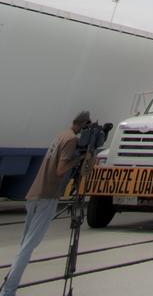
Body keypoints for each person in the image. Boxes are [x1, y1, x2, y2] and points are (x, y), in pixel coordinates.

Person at [1, 111, 92, 296]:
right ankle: (9, 290)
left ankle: (8, 283)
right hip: (47, 196)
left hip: (34, 194)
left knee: (25, 245)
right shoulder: (70, 140)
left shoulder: (60, 135)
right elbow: (60, 169)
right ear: (83, 126)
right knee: (29, 246)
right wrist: (80, 159)